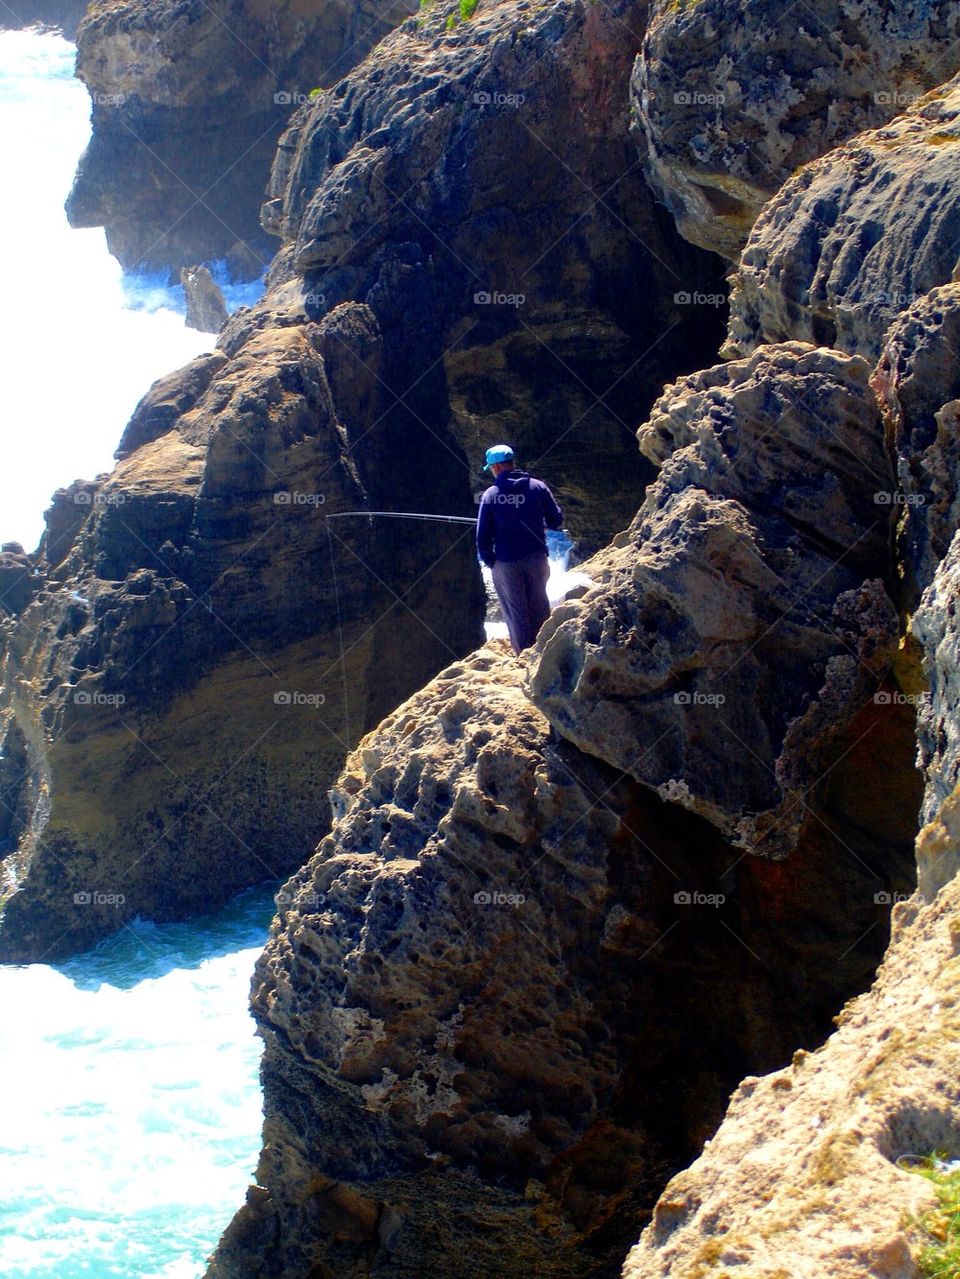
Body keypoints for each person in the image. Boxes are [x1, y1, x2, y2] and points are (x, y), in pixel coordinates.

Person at [476, 444, 563, 654]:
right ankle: (545, 650)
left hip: (506, 562)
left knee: (516, 612)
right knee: (540, 604)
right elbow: (556, 520)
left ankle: (524, 656)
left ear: (496, 467)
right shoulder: (538, 487)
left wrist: (491, 562)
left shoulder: (490, 495)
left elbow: (482, 538)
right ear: (512, 462)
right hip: (536, 557)